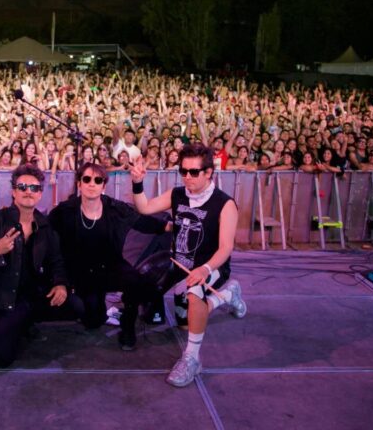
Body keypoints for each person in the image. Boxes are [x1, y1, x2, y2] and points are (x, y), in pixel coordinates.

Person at [130, 143, 246, 387]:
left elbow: (226, 248)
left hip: (210, 266)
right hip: (178, 262)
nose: (187, 177)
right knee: (142, 283)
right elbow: (144, 208)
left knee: (195, 295)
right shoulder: (177, 194)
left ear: (208, 172)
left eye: (194, 172)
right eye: (183, 171)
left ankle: (192, 359)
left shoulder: (225, 204)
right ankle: (226, 296)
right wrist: (137, 182)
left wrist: (205, 269)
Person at [0, 163, 82, 367]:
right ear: (13, 191)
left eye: (34, 188)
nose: (28, 192)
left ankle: (25, 321)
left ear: (40, 194)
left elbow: (56, 261)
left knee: (76, 306)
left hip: (34, 296)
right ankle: (5, 324)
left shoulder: (44, 225)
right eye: (22, 187)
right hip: (2, 300)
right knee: (0, 359)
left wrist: (60, 283)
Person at [48, 162, 170, 350]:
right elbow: (45, 229)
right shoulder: (65, 210)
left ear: (104, 186)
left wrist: (167, 227)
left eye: (98, 180)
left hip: (110, 266)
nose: (92, 184)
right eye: (86, 179)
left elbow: (141, 222)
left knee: (136, 281)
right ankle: (99, 312)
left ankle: (127, 325)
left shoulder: (115, 208)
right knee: (93, 321)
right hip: (81, 271)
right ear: (79, 184)